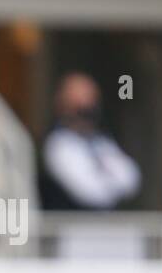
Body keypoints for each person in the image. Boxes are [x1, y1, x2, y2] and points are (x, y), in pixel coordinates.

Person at [39, 72, 141, 211]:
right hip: (73, 228)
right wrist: (111, 183)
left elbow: (130, 179)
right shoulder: (58, 145)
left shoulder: (101, 142)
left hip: (110, 228)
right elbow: (89, 192)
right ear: (63, 105)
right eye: (79, 105)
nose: (86, 109)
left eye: (90, 102)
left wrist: (107, 182)